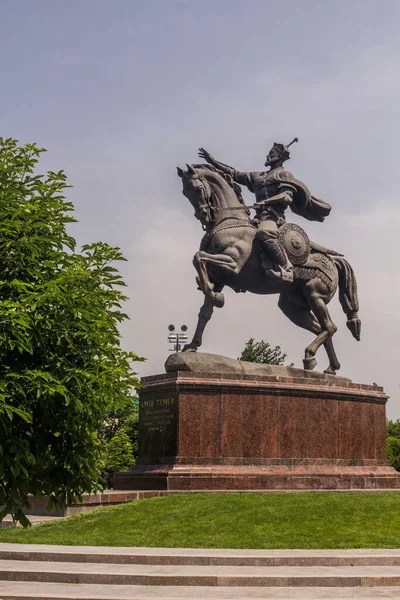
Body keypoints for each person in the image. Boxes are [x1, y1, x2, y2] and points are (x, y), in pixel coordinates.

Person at [198, 139, 331, 282]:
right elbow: (234, 174)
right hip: (257, 219)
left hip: (273, 219)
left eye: (271, 154)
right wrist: (212, 161)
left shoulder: (284, 175)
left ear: (279, 157)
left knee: (264, 232)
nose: (267, 156)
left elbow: (286, 197)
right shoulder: (259, 176)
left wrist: (267, 201)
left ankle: (287, 268)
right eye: (268, 153)